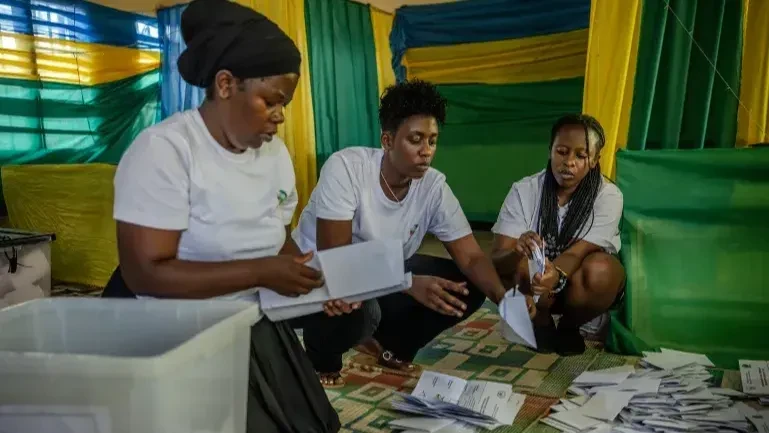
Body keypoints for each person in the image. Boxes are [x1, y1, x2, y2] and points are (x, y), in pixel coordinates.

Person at [100, 0, 340, 432]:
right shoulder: (166, 152)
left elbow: (274, 236)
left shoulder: (275, 155)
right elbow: (146, 275)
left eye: (285, 103)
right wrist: (263, 272)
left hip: (251, 320)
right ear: (226, 84)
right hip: (173, 330)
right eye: (272, 100)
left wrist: (312, 276)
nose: (280, 115)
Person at [291, 79, 532, 388]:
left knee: (464, 283)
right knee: (361, 309)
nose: (426, 151)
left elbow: (471, 256)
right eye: (416, 139)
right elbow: (337, 259)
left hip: (381, 273)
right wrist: (406, 282)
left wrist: (503, 298)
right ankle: (321, 357)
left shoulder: (433, 187)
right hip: (320, 277)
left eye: (432, 140)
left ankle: (391, 346)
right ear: (388, 140)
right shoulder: (347, 168)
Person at [491, 114, 625, 356]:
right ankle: (540, 321)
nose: (569, 162)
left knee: (602, 269)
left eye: (581, 155)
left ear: (595, 160)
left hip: (577, 288)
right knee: (517, 262)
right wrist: (516, 251)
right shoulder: (524, 191)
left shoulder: (608, 196)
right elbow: (497, 260)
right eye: (562, 151)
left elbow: (579, 251)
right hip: (535, 289)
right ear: (550, 150)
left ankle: (569, 326)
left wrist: (556, 276)